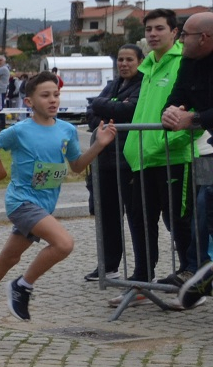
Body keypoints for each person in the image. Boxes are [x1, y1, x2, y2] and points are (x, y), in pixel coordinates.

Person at [0, 72, 117, 332]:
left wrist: (99, 145)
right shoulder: (19, 131)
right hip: (21, 202)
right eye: (45, 95)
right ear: (29, 101)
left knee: (9, 257)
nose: (53, 100)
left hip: (44, 206)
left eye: (56, 95)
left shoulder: (66, 130)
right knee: (64, 243)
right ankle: (22, 286)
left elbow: (77, 166)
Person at [123, 9, 196, 286]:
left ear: (174, 32)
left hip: (174, 157)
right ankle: (142, 278)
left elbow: (193, 114)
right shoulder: (148, 66)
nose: (152, 34)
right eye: (148, 29)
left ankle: (193, 279)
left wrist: (164, 142)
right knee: (141, 221)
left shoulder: (184, 62)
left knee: (180, 222)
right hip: (142, 159)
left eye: (159, 28)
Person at [159, 12, 213, 308]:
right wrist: (169, 113)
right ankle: (197, 271)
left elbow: (196, 114)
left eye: (185, 36)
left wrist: (193, 117)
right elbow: (176, 98)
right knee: (204, 206)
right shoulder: (189, 62)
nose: (181, 40)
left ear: (204, 38)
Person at [85, 44, 143, 283]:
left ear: (140, 61)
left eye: (129, 59)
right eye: (120, 59)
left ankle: (143, 269)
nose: (124, 64)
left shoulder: (142, 84)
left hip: (128, 161)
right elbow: (91, 114)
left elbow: (129, 111)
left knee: (136, 216)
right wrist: (108, 107)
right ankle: (109, 264)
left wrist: (103, 106)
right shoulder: (113, 84)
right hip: (105, 161)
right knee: (107, 215)